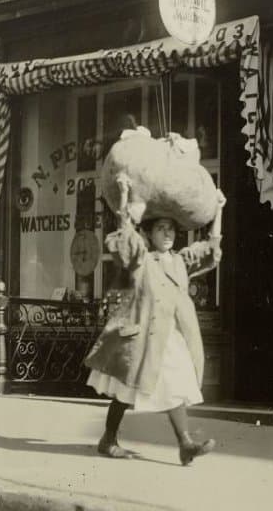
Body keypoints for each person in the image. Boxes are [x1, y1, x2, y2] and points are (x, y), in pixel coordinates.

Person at [84, 187, 226, 465]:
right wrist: (124, 200)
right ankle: (108, 439)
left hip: (171, 338)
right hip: (143, 337)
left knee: (174, 385)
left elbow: (210, 250)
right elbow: (126, 242)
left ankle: (185, 444)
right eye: (161, 229)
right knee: (125, 391)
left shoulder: (180, 261)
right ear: (149, 234)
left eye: (171, 229)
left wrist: (219, 209)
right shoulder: (143, 260)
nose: (167, 234)